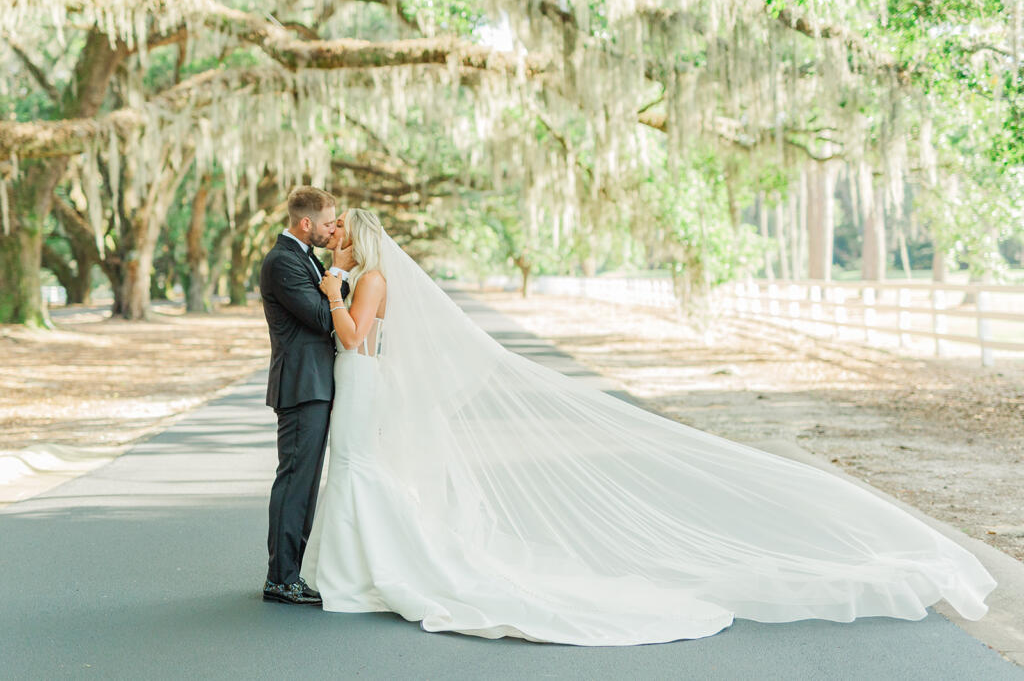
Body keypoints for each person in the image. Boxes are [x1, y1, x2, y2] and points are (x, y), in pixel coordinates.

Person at [295, 210, 996, 645]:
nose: (336, 244)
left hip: (362, 377)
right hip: (361, 383)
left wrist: (332, 294)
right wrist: (336, 294)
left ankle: (366, 571)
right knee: (359, 469)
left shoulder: (371, 279)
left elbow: (356, 339)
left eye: (340, 238)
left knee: (359, 469)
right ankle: (354, 570)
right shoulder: (367, 277)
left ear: (358, 240)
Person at [258, 186, 355, 605]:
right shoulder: (283, 262)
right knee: (295, 481)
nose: (333, 229)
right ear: (306, 223)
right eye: (329, 222)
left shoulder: (305, 259)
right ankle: (280, 578)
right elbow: (321, 317)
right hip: (301, 385)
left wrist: (333, 275)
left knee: (305, 482)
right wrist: (342, 273)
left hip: (315, 383)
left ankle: (290, 572)